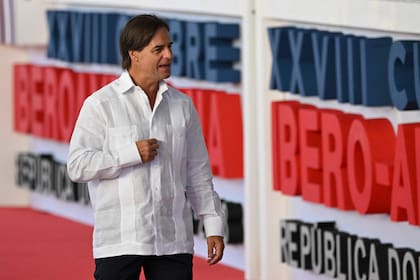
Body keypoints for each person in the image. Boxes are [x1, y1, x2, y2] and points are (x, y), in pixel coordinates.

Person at [67, 14, 225, 280]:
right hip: (119, 240)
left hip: (172, 241)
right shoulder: (101, 104)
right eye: (158, 49)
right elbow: (77, 166)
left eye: (169, 47)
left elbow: (198, 173)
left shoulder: (182, 105)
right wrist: (130, 154)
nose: (168, 55)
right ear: (134, 54)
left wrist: (213, 226)